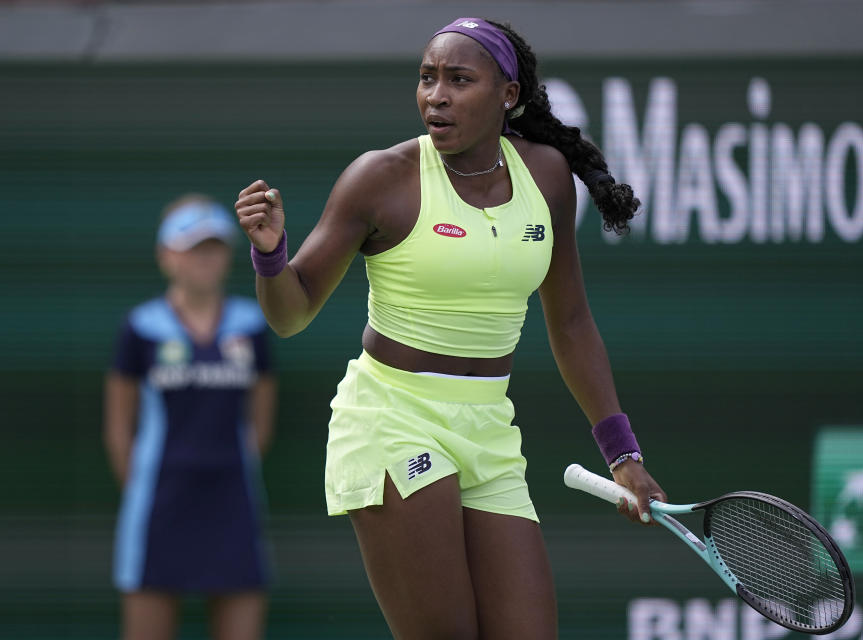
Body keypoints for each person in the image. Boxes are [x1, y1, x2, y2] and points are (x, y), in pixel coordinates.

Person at [235, 17, 665, 639]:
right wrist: (272, 255)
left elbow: (570, 322)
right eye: (427, 78)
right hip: (393, 420)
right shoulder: (381, 178)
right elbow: (290, 314)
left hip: (489, 428)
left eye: (459, 80)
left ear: (507, 95)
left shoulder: (545, 178)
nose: (436, 94)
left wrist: (623, 455)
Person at [103, 194, 276, 640]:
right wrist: (144, 483)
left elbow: (261, 419)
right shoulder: (141, 328)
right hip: (160, 505)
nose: (206, 258)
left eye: (215, 247)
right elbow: (119, 425)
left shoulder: (251, 325)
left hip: (233, 501)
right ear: (166, 256)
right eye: (193, 247)